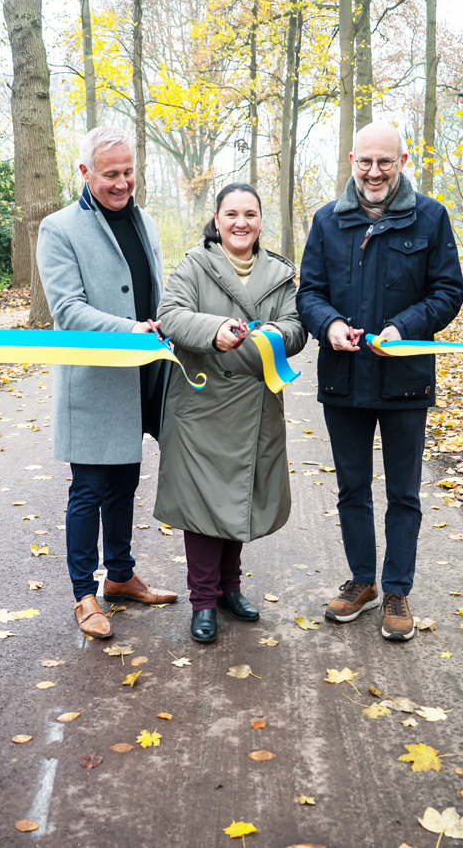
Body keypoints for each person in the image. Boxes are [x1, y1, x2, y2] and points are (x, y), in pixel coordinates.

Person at [296, 122, 463, 641]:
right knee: (352, 488)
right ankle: (362, 582)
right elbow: (308, 294)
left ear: (402, 161)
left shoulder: (431, 218)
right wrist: (330, 325)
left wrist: (403, 327)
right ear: (352, 160)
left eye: (384, 162)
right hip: (344, 379)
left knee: (404, 492)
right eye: (365, 162)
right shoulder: (327, 221)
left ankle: (397, 590)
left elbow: (448, 291)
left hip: (405, 380)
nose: (374, 172)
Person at [36, 126, 179, 640]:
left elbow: (157, 294)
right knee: (90, 488)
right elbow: (68, 310)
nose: (123, 184)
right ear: (84, 173)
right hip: (95, 382)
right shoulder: (59, 228)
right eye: (111, 174)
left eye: (128, 172)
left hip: (146, 377)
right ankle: (84, 595)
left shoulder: (146, 222)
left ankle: (120, 576)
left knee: (126, 480)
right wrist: (129, 330)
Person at [154, 184, 308, 643]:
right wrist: (215, 329)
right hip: (200, 407)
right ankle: (202, 600)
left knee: (237, 497)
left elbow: (298, 327)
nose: (241, 223)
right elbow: (171, 317)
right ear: (216, 219)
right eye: (232, 214)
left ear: (261, 221)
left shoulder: (281, 274)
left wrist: (271, 337)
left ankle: (228, 590)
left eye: (251, 214)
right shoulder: (194, 265)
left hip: (255, 405)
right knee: (205, 506)